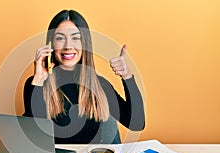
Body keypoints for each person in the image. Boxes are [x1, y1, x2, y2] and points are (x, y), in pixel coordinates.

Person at [23, 10, 145, 144]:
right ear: (51, 44)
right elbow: (33, 141)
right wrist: (38, 81)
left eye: (75, 38)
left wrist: (127, 76)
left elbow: (137, 124)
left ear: (84, 44)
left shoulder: (99, 85)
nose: (68, 46)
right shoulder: (36, 84)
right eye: (60, 38)